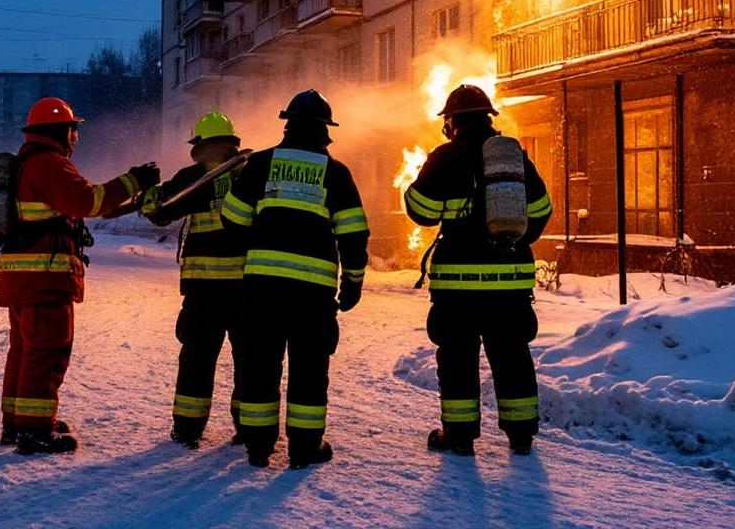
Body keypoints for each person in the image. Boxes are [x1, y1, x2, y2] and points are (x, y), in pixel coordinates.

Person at [0, 96, 159, 454]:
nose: (76, 138)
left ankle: (17, 422)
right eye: (74, 130)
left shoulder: (30, 163)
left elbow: (81, 209)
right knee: (46, 352)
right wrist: (134, 180)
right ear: (61, 130)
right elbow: (88, 201)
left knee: (24, 351)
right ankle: (34, 431)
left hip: (24, 278)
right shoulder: (49, 165)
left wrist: (134, 201)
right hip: (44, 278)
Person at [220, 89, 369, 470]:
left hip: (261, 289)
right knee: (309, 368)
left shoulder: (261, 164)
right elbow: (352, 232)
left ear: (287, 125)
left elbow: (232, 219)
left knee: (260, 364)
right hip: (313, 294)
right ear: (325, 131)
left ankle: (258, 447)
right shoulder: (335, 173)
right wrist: (352, 282)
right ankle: (304, 449)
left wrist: (257, 243)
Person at [403, 84, 552, 457]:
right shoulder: (514, 156)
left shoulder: (445, 157)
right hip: (510, 284)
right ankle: (521, 436)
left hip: (458, 286)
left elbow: (419, 210)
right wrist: (515, 240)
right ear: (488, 118)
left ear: (451, 121)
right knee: (512, 355)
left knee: (457, 358)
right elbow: (542, 208)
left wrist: (422, 179)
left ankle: (460, 435)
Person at [140, 110, 247, 448]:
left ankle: (187, 428)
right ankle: (250, 428)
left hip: (205, 289)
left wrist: (147, 193)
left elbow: (158, 212)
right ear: (231, 142)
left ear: (201, 145)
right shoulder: (253, 175)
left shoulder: (194, 177)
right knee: (251, 359)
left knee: (197, 360)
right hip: (249, 286)